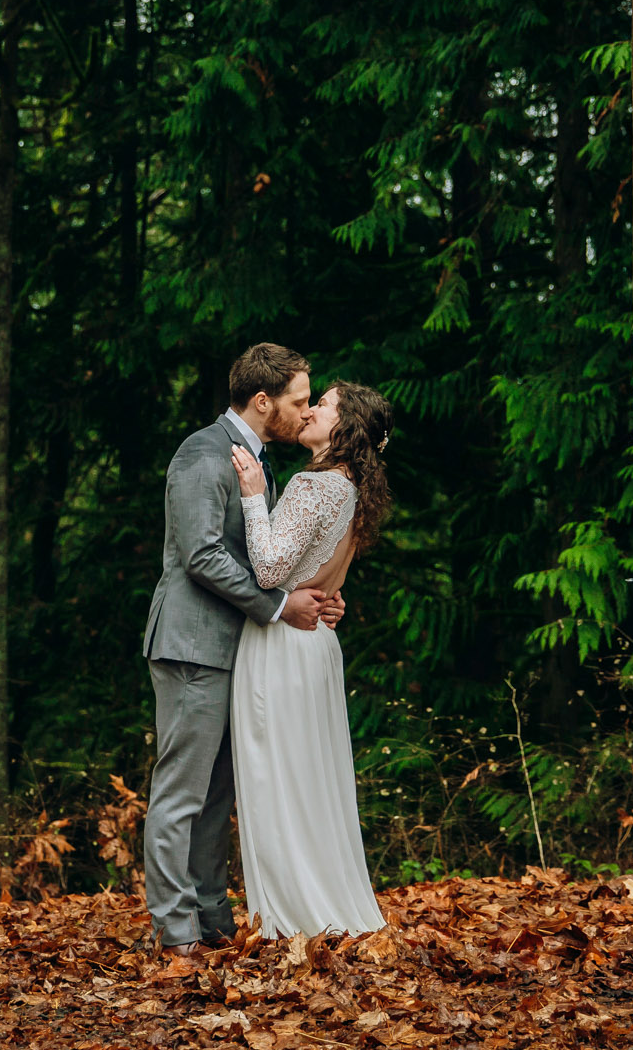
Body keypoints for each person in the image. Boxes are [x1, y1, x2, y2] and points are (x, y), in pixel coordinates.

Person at [140, 344, 343, 957]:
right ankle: (174, 932)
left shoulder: (259, 461)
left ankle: (210, 918)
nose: (305, 413)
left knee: (218, 793)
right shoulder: (202, 453)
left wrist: (317, 596)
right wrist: (281, 608)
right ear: (262, 402)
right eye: (298, 401)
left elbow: (264, 556)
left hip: (237, 650)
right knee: (181, 792)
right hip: (192, 645)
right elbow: (201, 555)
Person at [229, 381, 392, 939]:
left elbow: (272, 572)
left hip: (283, 644)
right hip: (316, 642)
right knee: (311, 779)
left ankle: (296, 917)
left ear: (342, 429)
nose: (312, 409)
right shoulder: (351, 489)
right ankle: (321, 905)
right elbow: (319, 573)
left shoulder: (314, 484)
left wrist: (253, 493)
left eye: (323, 404)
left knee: (279, 777)